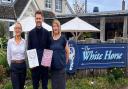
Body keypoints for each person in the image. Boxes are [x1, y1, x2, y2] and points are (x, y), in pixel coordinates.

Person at [27, 10, 50, 89]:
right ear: (35, 19)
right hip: (34, 66)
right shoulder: (30, 33)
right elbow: (29, 49)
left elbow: (48, 48)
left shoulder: (47, 33)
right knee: (35, 86)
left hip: (44, 65)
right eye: (37, 18)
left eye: (40, 18)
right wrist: (31, 65)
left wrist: (47, 64)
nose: (38, 20)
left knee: (45, 86)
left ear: (42, 19)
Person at [50, 19, 69, 89]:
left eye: (56, 26)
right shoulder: (50, 39)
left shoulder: (63, 38)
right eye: (54, 26)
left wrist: (65, 62)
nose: (55, 28)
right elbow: (48, 52)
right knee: (54, 87)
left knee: (61, 87)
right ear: (52, 28)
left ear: (59, 27)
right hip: (53, 69)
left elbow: (68, 51)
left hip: (61, 69)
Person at [7, 22, 27, 89]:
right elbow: (8, 56)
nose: (17, 30)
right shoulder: (10, 41)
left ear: (21, 30)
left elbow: (26, 55)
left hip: (23, 66)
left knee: (21, 87)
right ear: (14, 30)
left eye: (19, 28)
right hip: (14, 67)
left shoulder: (24, 42)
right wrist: (11, 66)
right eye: (16, 28)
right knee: (16, 87)